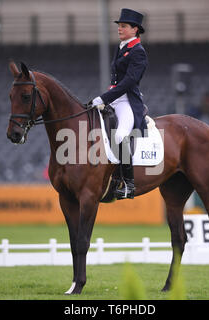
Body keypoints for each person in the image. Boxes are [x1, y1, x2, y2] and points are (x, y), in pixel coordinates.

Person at [90, 8, 148, 199]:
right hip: (114, 97)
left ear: (135, 29)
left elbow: (129, 82)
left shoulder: (138, 51)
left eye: (124, 26)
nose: (119, 29)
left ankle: (129, 185)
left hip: (127, 101)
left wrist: (104, 98)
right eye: (119, 26)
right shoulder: (121, 46)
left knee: (120, 136)